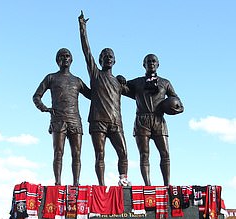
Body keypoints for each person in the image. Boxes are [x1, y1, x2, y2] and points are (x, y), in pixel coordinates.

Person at [78, 11, 129, 186]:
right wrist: (82, 28)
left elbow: (137, 93)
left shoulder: (119, 82)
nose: (107, 58)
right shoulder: (95, 74)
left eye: (110, 56)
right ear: (99, 60)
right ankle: (101, 184)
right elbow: (86, 51)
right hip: (98, 121)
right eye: (104, 56)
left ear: (115, 61)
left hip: (116, 122)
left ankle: (123, 180)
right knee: (100, 154)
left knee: (123, 152)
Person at [33, 48, 91, 185]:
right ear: (57, 60)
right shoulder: (51, 78)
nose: (65, 58)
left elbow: (92, 95)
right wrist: (44, 108)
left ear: (71, 59)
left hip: (75, 120)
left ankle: (76, 183)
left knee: (77, 154)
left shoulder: (77, 81)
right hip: (58, 120)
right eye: (61, 56)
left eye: (67, 56)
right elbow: (36, 96)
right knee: (58, 153)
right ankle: (57, 183)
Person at [125, 54, 182, 186]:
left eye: (153, 61)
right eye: (148, 61)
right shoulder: (137, 82)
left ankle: (167, 185)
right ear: (143, 64)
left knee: (165, 153)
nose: (151, 63)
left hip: (158, 120)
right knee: (144, 154)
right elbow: (121, 88)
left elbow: (179, 103)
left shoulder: (165, 82)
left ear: (158, 64)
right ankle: (148, 185)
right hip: (142, 120)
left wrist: (175, 109)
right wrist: (121, 80)